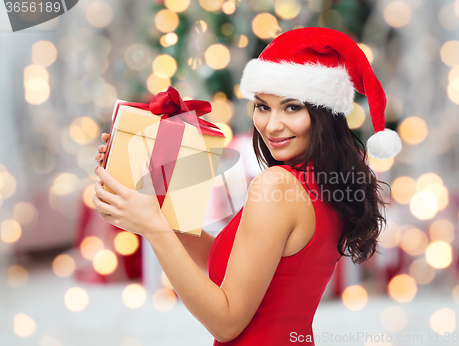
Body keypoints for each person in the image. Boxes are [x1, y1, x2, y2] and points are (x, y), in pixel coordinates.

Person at [93, 27, 402, 345]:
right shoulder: (324, 180)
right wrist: (154, 211)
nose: (272, 125)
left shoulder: (276, 185)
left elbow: (226, 324)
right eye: (263, 106)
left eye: (291, 107)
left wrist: (155, 228)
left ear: (322, 112)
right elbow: (243, 266)